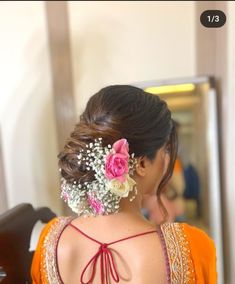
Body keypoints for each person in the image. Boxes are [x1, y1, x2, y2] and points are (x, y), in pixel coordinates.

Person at [31, 85, 217, 283]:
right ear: (143, 163)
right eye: (165, 149)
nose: (167, 159)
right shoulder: (192, 248)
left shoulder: (51, 240)